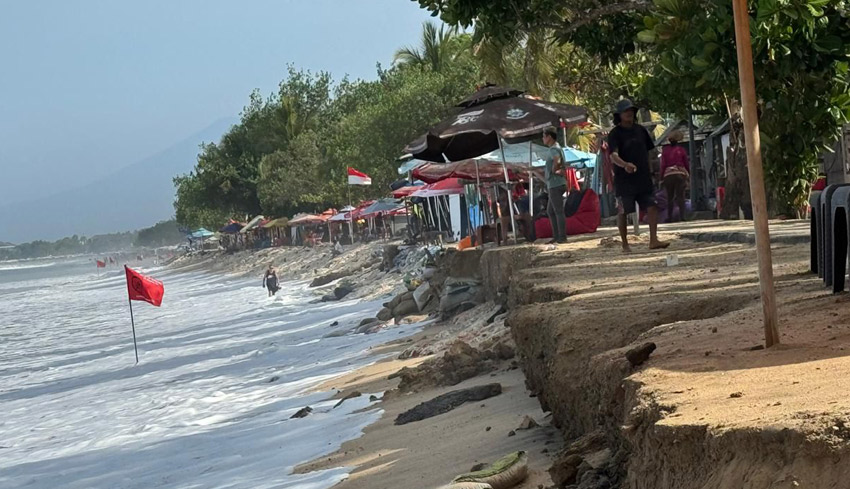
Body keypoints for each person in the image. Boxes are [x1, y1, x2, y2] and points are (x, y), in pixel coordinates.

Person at [608, 98, 669, 252]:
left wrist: (653, 171)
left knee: (652, 206)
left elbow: (649, 153)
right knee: (623, 211)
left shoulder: (641, 130)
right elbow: (612, 156)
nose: (629, 113)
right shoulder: (615, 134)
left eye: (631, 111)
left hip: (643, 178)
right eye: (626, 111)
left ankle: (653, 240)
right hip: (624, 180)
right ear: (619, 115)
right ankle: (625, 244)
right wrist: (625, 165)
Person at [543, 127, 567, 243]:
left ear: (549, 137)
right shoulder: (557, 148)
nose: (543, 139)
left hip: (555, 184)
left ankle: (562, 237)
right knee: (551, 211)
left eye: (544, 136)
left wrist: (554, 169)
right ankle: (557, 235)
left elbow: (556, 160)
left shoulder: (553, 149)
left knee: (558, 211)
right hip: (555, 183)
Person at [660, 129, 690, 222]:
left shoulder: (665, 150)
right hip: (680, 174)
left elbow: (663, 165)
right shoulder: (681, 150)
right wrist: (688, 173)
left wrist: (661, 177)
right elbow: (686, 163)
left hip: (668, 175)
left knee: (670, 197)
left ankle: (669, 217)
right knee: (681, 196)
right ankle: (682, 216)